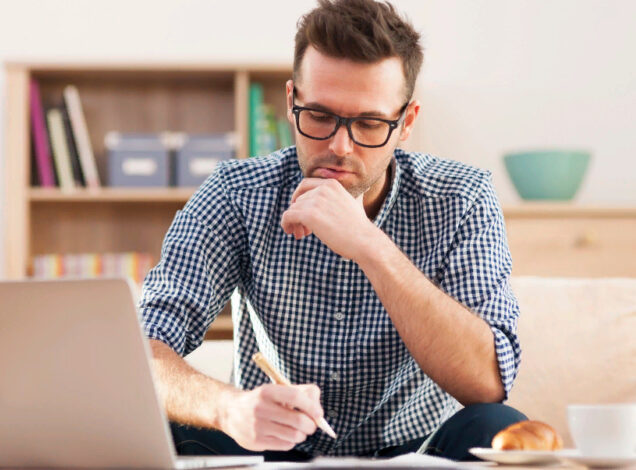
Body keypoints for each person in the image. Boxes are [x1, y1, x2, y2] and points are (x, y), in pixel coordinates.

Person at [139, 0, 526, 461]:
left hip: (418, 452)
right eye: (320, 116)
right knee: (150, 422)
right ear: (291, 102)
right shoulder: (235, 194)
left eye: (368, 123)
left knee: (497, 427)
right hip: (272, 450)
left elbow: (488, 382)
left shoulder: (462, 197)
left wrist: (368, 244)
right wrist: (228, 408)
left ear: (406, 123)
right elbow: (142, 349)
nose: (339, 147)